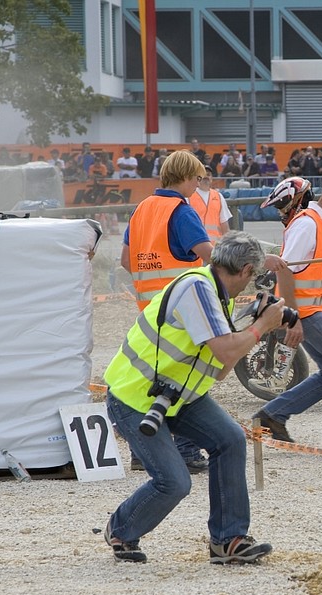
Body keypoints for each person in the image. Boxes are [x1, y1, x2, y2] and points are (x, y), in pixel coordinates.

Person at [102, 230, 288, 564]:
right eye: (255, 275)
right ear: (246, 270)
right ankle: (121, 529)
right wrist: (261, 327)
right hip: (134, 396)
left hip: (176, 395)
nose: (254, 282)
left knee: (230, 440)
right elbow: (226, 349)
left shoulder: (217, 295)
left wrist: (254, 325)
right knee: (174, 482)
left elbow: (220, 368)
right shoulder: (198, 289)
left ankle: (228, 541)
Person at [252, 172, 322, 450]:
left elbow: (319, 272)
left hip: (311, 309)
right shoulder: (308, 224)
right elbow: (285, 270)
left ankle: (271, 416)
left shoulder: (321, 222)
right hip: (304, 312)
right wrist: (292, 319)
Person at [120, 149, 214, 473]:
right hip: (180, 309)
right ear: (187, 177)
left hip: (147, 310)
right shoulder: (181, 211)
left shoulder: (142, 208)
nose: (198, 185)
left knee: (151, 381)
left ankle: (141, 453)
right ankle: (187, 451)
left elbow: (124, 260)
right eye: (198, 179)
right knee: (187, 379)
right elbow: (207, 253)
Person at [190, 166, 232, 242]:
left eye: (208, 174)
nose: (206, 176)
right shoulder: (189, 196)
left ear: (212, 178)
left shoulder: (218, 196)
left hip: (216, 248)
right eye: (203, 174)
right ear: (197, 178)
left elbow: (225, 226)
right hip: (196, 247)